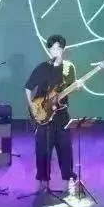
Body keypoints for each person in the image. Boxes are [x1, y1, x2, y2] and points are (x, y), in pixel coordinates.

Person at [25, 34, 77, 195]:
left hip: (61, 115)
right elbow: (28, 87)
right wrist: (32, 106)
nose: (55, 51)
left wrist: (76, 87)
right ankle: (43, 182)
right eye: (52, 48)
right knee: (42, 150)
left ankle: (68, 181)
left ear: (63, 49)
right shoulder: (42, 67)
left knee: (65, 149)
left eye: (58, 48)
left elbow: (70, 88)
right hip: (43, 115)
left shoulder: (68, 68)